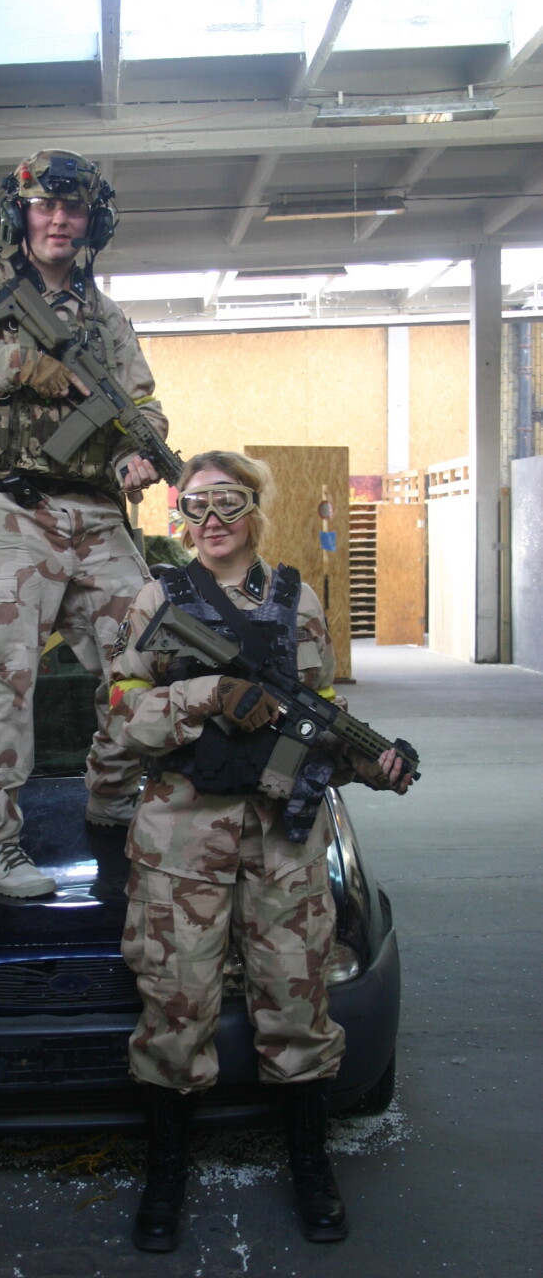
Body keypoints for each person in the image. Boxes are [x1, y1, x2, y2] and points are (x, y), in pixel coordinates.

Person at [107, 450, 411, 1251]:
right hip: (183, 839)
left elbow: (319, 719)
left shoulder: (297, 599)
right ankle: (166, 1176)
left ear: (255, 510)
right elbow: (122, 713)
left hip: (284, 840)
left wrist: (372, 765)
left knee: (298, 1005)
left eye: (228, 503)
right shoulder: (160, 598)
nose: (211, 521)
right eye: (195, 505)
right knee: (176, 1009)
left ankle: (311, 1166)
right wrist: (208, 695)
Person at [0, 150, 168, 899]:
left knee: (149, 655)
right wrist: (17, 364)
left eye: (73, 209)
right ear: (21, 212)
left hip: (96, 513)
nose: (59, 220)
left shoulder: (106, 317)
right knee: (2, 678)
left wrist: (137, 451)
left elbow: (143, 405)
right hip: (4, 510)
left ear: (92, 221)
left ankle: (112, 797)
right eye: (46, 206)